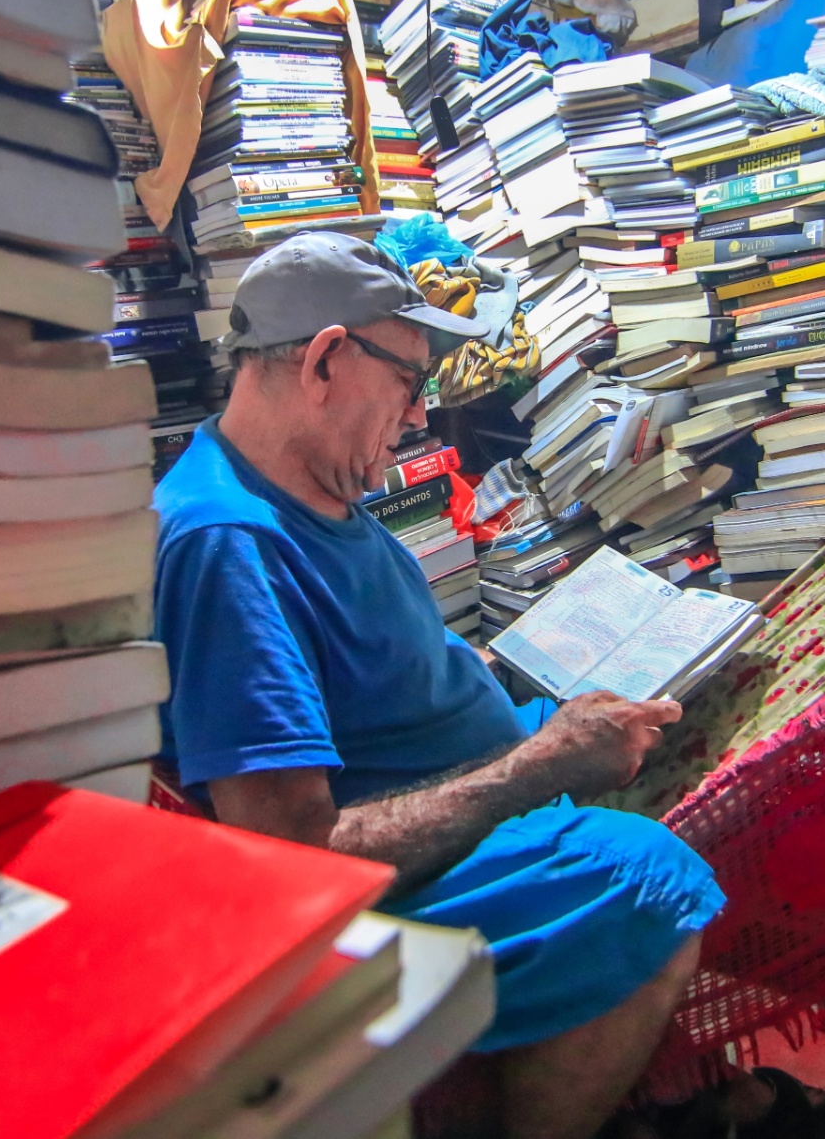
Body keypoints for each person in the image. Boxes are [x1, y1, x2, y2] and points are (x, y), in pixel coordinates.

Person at [151, 232, 726, 1139]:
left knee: (703, 726)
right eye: (410, 382)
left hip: (474, 768)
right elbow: (294, 851)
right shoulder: (231, 545)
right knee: (645, 877)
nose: (420, 416)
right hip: (399, 868)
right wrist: (540, 765)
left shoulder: (301, 486)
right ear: (325, 361)